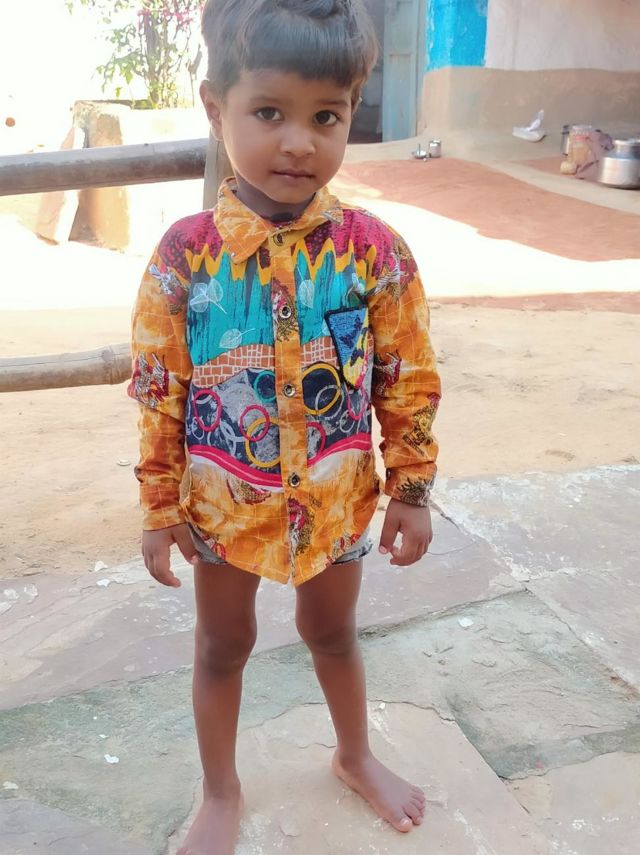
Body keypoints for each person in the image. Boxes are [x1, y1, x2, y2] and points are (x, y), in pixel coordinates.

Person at [128, 1, 441, 852]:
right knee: (222, 643)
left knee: (332, 631)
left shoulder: (375, 252)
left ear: (351, 113)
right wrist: (159, 504)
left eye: (325, 117)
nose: (299, 142)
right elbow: (160, 390)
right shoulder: (183, 258)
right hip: (225, 505)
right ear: (215, 107)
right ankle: (221, 790)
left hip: (337, 500)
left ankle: (353, 754)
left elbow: (407, 375)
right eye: (269, 112)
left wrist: (411, 490)